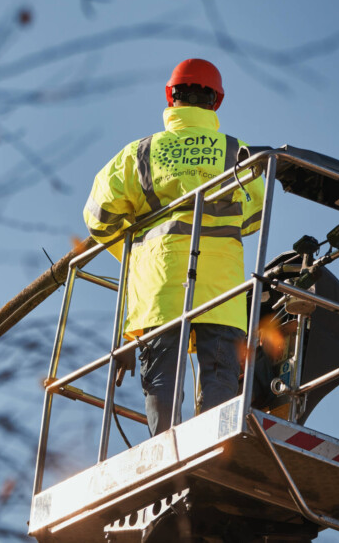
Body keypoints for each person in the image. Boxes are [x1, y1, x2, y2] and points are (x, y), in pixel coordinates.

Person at [82, 58, 266, 437]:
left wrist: (134, 254)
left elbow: (98, 215)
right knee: (219, 381)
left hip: (159, 288)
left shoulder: (141, 153)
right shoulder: (238, 152)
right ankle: (216, 447)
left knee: (162, 384)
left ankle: (167, 450)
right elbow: (255, 215)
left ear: (171, 96)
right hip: (223, 292)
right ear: (215, 101)